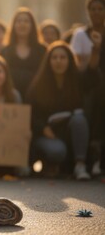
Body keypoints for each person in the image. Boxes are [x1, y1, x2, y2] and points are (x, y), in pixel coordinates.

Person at [26, 41, 100, 180]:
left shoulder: (77, 80)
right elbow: (31, 113)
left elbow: (93, 77)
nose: (58, 61)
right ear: (48, 61)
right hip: (47, 134)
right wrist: (43, 128)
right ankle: (50, 164)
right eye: (54, 57)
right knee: (57, 151)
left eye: (63, 57)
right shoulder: (38, 84)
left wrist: (95, 51)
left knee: (79, 119)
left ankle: (80, 165)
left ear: (69, 60)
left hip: (70, 132)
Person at [70, 0, 105, 176]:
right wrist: (96, 49)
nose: (96, 12)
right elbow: (83, 68)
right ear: (87, 12)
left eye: (100, 9)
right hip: (88, 85)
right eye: (93, 9)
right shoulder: (81, 35)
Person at [1, 7, 46, 101]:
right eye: (18, 21)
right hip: (11, 100)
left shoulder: (43, 51)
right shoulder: (5, 51)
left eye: (26, 21)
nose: (22, 24)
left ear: (32, 25)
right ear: (13, 25)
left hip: (37, 99)